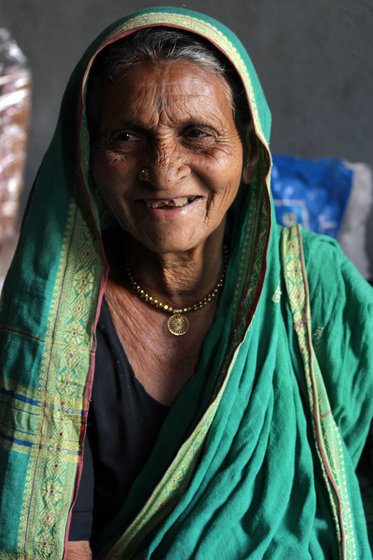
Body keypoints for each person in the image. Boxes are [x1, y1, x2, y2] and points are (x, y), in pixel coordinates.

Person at [0, 7, 372, 560]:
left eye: (198, 135)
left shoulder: (314, 288)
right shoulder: (50, 328)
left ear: (250, 154)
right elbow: (52, 546)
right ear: (87, 159)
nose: (164, 170)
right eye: (126, 137)